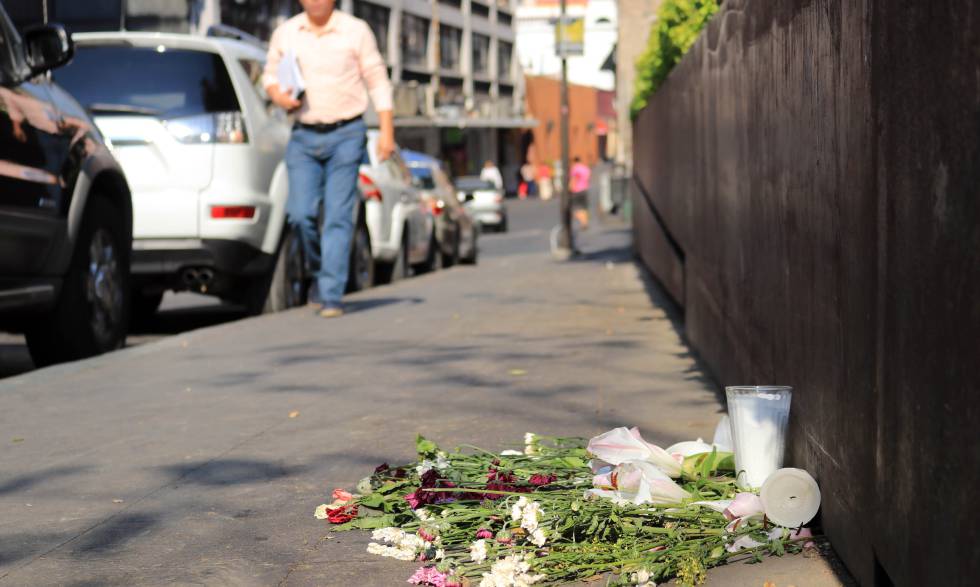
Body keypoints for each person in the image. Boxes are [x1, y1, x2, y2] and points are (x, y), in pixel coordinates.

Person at [263, 0, 393, 319]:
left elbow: (377, 80)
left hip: (347, 133)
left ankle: (332, 293)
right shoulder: (287, 32)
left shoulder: (356, 31)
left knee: (337, 215)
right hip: (304, 135)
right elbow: (269, 77)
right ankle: (321, 273)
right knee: (299, 214)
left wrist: (387, 131)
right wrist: (279, 96)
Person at [569, 156, 592, 230]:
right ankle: (584, 223)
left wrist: (570, 188)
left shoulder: (574, 169)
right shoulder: (585, 168)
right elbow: (588, 178)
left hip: (576, 190)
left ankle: (583, 222)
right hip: (584, 189)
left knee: (575, 209)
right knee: (584, 208)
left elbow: (573, 179)